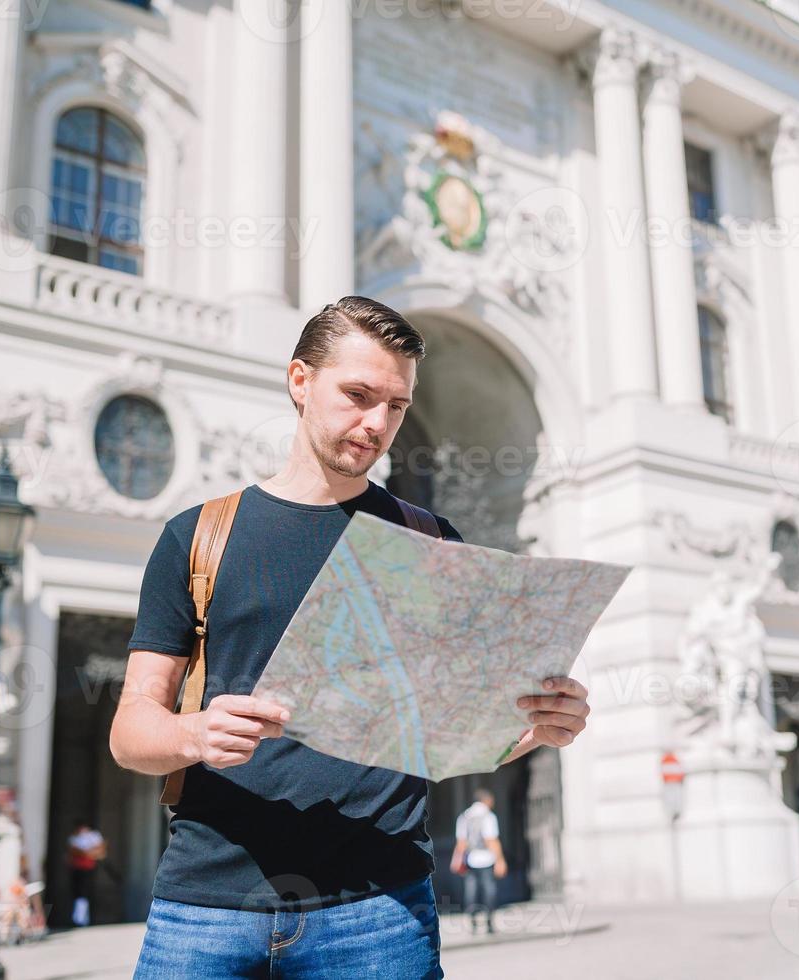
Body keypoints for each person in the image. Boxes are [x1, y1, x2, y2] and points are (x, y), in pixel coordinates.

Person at [110, 297, 594, 978]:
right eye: (359, 395)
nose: (377, 424)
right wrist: (195, 735)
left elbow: (454, 733)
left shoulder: (428, 542)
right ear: (299, 381)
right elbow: (131, 731)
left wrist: (539, 727)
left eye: (397, 405)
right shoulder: (197, 538)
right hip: (205, 911)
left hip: (379, 915)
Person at [451, 789, 507, 934]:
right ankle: (489, 922)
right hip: (486, 858)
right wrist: (500, 860)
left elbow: (461, 842)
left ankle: (473, 923)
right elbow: (491, 840)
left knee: (471, 891)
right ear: (486, 800)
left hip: (470, 859)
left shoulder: (464, 816)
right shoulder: (488, 816)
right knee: (489, 890)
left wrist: (456, 860)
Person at [67, 819, 106, 927]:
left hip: (89, 868)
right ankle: (79, 918)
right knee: (79, 893)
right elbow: (77, 851)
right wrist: (91, 853)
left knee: (86, 892)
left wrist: (89, 853)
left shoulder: (93, 836)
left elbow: (101, 851)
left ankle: (83, 918)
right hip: (78, 868)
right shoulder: (74, 838)